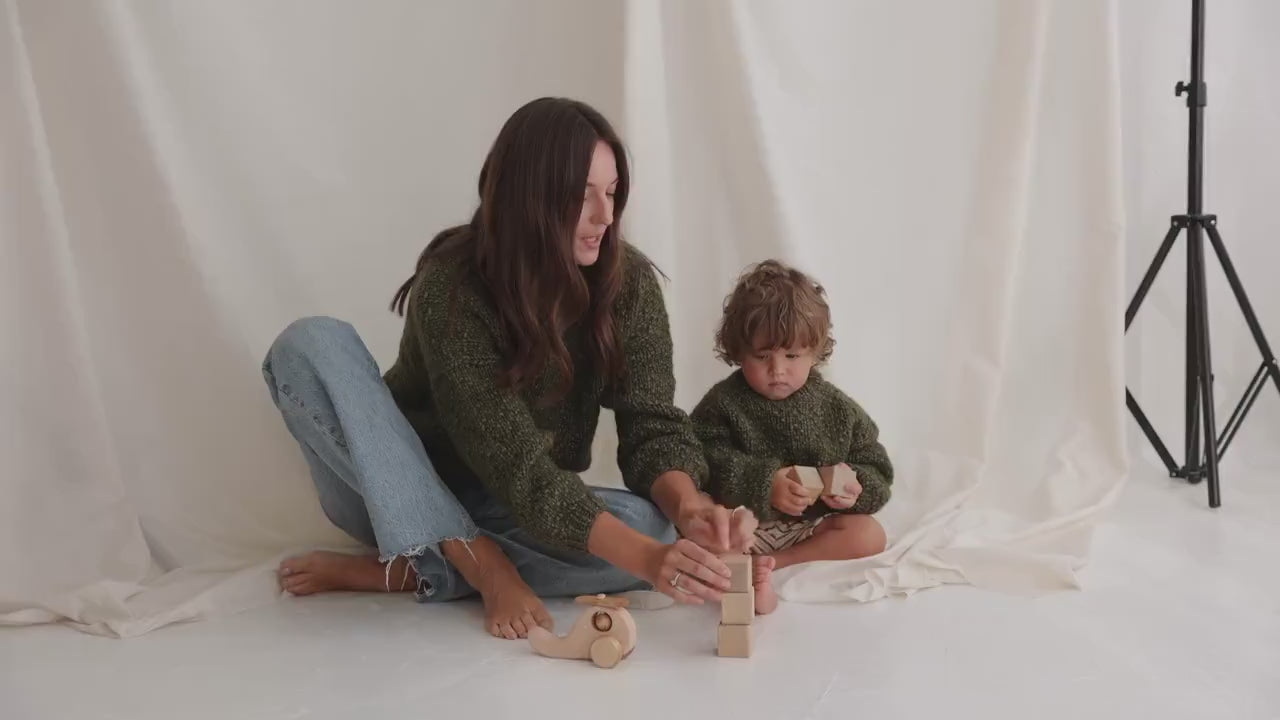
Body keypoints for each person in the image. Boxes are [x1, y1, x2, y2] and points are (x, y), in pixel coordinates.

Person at [261, 97, 756, 640]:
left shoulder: (625, 281)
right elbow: (514, 460)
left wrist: (689, 508)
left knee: (652, 527)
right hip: (390, 493)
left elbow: (652, 423)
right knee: (309, 344)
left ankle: (415, 571)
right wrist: (647, 561)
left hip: (513, 506)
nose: (605, 216)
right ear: (530, 197)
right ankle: (478, 563)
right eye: (582, 196)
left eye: (612, 193)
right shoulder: (453, 285)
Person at [690, 259, 894, 614]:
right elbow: (702, 462)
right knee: (695, 539)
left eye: (792, 355)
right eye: (762, 356)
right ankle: (742, 572)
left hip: (807, 530)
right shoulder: (723, 403)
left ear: (815, 352)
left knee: (870, 534)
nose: (777, 370)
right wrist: (765, 483)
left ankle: (776, 563)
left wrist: (854, 488)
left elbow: (877, 469)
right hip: (742, 525)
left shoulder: (836, 409)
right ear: (739, 352)